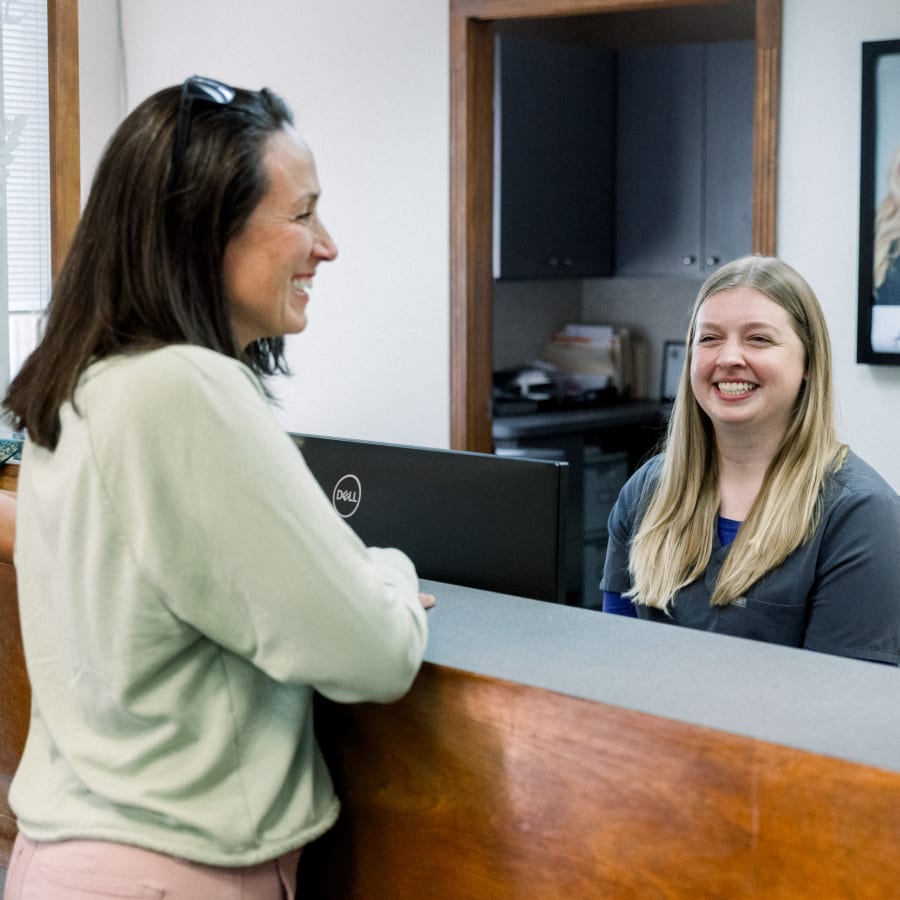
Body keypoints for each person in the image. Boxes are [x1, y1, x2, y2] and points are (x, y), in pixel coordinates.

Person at [1, 76, 433, 900]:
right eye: (302, 214)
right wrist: (390, 574)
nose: (328, 245)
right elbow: (373, 655)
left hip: (65, 860)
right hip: (168, 873)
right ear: (205, 232)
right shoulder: (188, 389)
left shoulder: (85, 381)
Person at [601, 255, 900, 666]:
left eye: (758, 339)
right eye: (709, 339)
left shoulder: (861, 515)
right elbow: (615, 661)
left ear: (808, 363)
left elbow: (839, 711)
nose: (728, 358)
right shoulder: (648, 491)